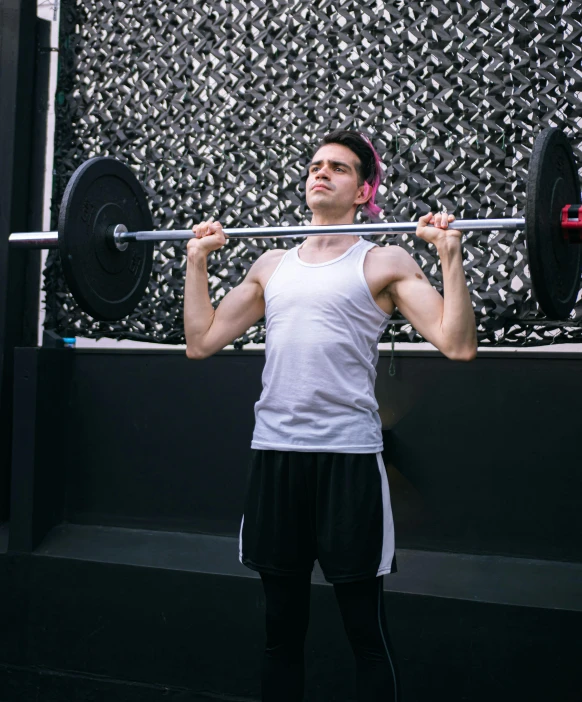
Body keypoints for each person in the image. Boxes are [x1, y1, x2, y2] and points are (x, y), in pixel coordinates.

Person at [184, 130, 477, 702]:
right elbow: (202, 339)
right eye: (316, 165)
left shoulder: (383, 261)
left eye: (338, 168)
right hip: (275, 454)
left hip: (347, 460)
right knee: (280, 632)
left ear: (365, 189)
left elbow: (457, 343)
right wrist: (197, 263)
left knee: (364, 631)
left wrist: (449, 256)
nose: (321, 173)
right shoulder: (271, 264)